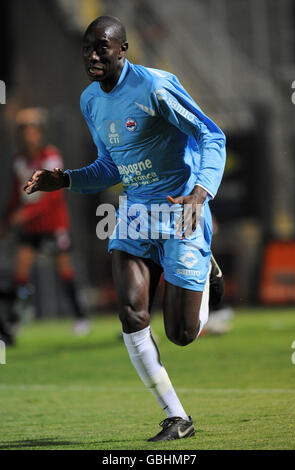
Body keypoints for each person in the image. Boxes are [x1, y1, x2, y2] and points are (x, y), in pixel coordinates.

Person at [24, 16, 226, 441]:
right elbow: (112, 166)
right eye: (87, 48)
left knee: (181, 335)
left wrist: (200, 194)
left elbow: (212, 137)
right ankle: (177, 418)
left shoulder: (155, 87)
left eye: (102, 48)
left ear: (123, 49)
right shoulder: (90, 101)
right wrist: (67, 180)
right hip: (134, 212)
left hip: (180, 210)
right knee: (131, 314)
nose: (93, 56)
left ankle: (205, 269)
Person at [1, 108, 89, 342]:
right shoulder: (20, 160)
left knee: (65, 272)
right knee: (20, 274)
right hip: (31, 229)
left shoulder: (51, 157)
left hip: (53, 225)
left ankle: (81, 317)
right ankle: (14, 321)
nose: (30, 136)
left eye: (34, 131)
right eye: (26, 132)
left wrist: (25, 213)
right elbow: (15, 193)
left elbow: (52, 194)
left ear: (41, 133)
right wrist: (7, 219)